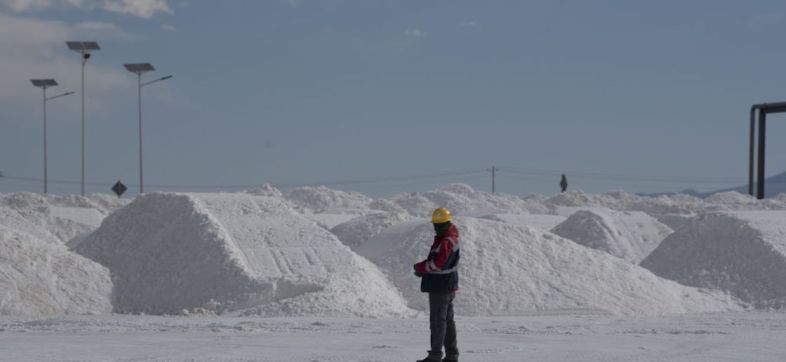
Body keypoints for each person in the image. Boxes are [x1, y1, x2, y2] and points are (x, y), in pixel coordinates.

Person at [414, 207, 460, 362]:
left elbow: (438, 264)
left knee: (438, 322)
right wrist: (424, 268)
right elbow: (439, 263)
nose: (436, 228)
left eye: (439, 225)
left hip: (441, 286)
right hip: (446, 285)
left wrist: (420, 268)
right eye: (435, 225)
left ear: (447, 224)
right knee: (447, 321)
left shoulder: (446, 241)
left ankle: (435, 356)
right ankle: (452, 355)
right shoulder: (446, 239)